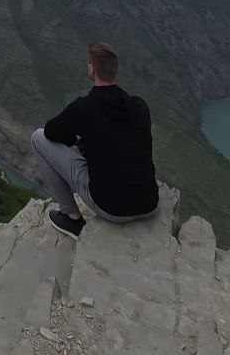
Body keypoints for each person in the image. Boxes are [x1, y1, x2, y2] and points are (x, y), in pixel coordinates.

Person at [31, 41, 159, 240]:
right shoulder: (140, 106)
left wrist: (76, 139)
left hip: (112, 208)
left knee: (37, 138)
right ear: (115, 70)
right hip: (150, 204)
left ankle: (71, 216)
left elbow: (50, 132)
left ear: (91, 68)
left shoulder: (84, 108)